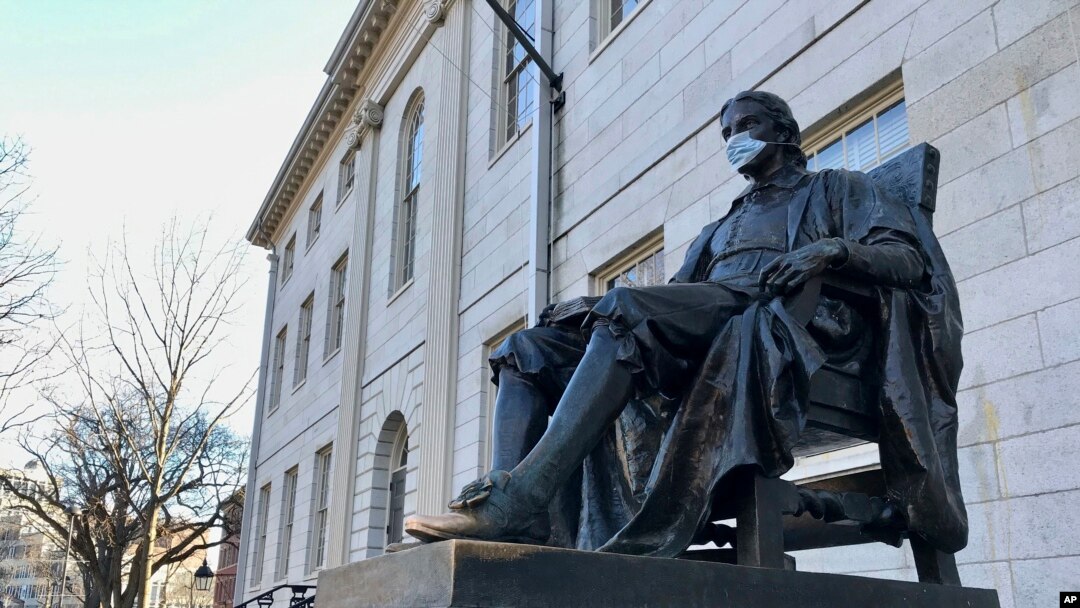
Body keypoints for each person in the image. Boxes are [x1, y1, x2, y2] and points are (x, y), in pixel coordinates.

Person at [405, 91, 967, 557]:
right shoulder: (719, 227)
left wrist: (832, 251)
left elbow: (909, 260)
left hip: (791, 323)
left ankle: (523, 495)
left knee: (625, 310)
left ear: (785, 132)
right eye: (727, 133)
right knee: (526, 348)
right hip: (711, 327)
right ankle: (516, 514)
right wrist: (591, 308)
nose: (735, 140)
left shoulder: (837, 187)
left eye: (747, 125)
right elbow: (671, 300)